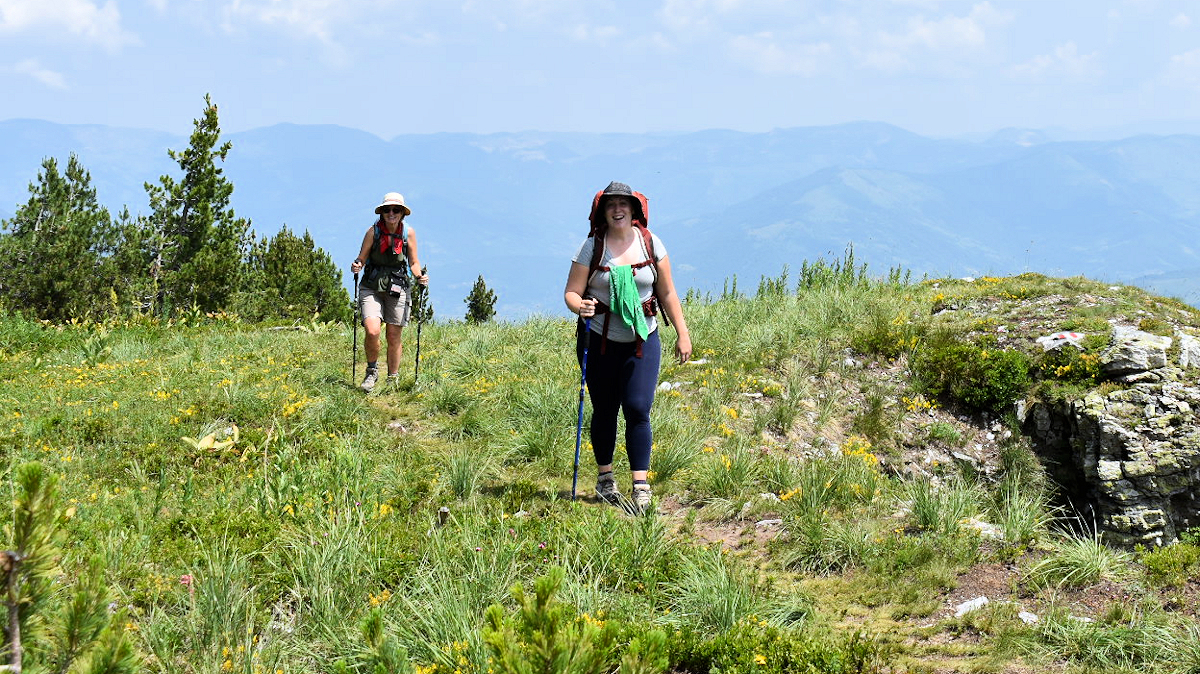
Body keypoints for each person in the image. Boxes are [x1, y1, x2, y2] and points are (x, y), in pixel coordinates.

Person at [563, 181, 692, 512]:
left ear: (635, 209)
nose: (617, 209)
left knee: (637, 407)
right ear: (602, 212)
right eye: (611, 205)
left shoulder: (651, 244)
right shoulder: (593, 247)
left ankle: (640, 486)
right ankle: (606, 479)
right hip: (600, 340)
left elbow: (667, 293)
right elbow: (571, 292)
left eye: (623, 203)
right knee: (605, 408)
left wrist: (682, 333)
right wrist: (581, 307)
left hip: (642, 337)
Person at [350, 192, 428, 392]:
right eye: (387, 210)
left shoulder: (408, 233)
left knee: (394, 335)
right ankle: (372, 371)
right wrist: (357, 265)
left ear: (402, 213)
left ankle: (392, 379)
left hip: (397, 286)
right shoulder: (373, 232)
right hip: (371, 286)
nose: (391, 213)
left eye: (396, 210)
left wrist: (419, 275)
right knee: (373, 330)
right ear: (382, 212)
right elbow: (362, 258)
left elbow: (414, 262)